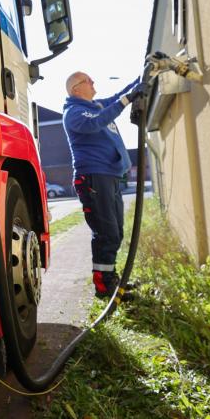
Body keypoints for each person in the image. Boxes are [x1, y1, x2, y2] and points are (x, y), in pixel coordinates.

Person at [62, 72, 144, 298]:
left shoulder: (96, 105)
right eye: (89, 81)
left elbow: (120, 96)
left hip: (109, 177)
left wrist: (140, 78)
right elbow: (96, 123)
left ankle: (111, 278)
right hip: (93, 177)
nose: (94, 83)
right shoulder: (74, 112)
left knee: (115, 232)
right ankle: (103, 286)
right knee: (106, 233)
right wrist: (126, 101)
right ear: (76, 88)